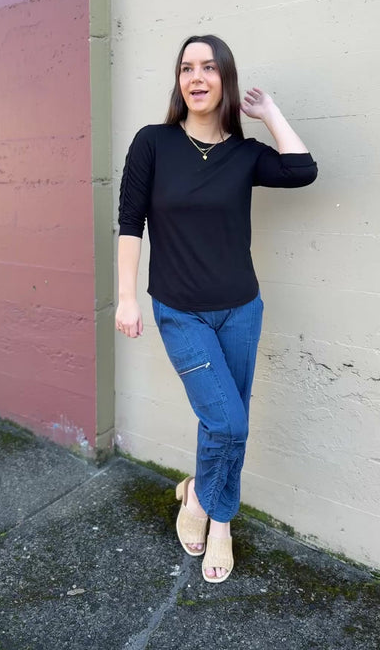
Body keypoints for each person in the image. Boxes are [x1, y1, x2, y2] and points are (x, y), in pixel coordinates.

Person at [116, 34, 317, 583]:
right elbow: (130, 222)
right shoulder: (153, 142)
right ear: (178, 81)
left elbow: (302, 169)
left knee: (225, 422)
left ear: (224, 78)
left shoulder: (245, 155)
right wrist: (127, 297)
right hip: (180, 311)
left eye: (208, 67)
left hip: (241, 310)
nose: (196, 77)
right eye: (187, 68)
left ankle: (210, 512)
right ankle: (209, 503)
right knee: (229, 422)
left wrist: (269, 112)